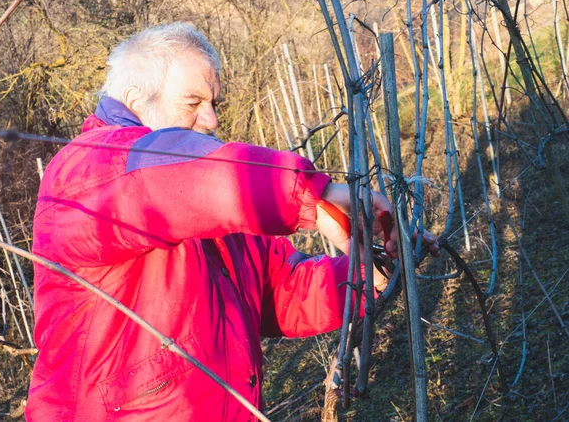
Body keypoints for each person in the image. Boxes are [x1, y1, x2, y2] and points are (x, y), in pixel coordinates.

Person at [26, 23, 439, 421]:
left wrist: (367, 273)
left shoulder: (213, 204)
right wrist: (317, 194)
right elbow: (159, 175)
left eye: (213, 103)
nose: (211, 121)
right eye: (192, 103)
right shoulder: (85, 170)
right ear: (135, 100)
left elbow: (282, 292)